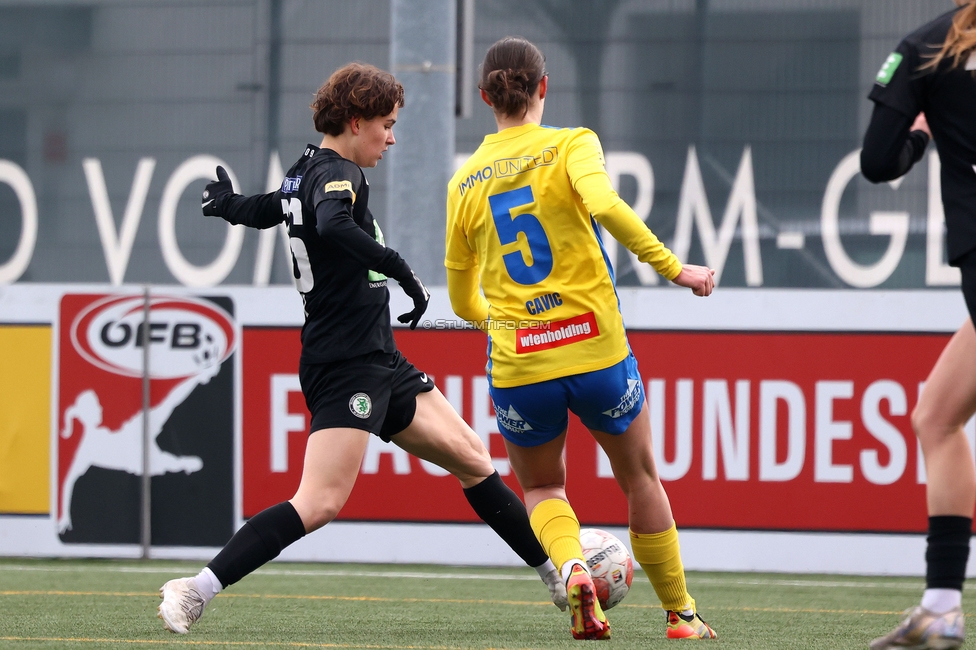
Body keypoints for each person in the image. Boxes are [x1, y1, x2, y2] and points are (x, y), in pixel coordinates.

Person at [157, 61, 568, 635]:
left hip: (379, 359)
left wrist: (227, 204)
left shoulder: (307, 171)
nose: (392, 138)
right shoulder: (340, 175)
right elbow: (331, 225)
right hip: (345, 367)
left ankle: (558, 577)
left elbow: (269, 208)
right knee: (320, 502)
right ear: (355, 122)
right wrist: (402, 271)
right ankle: (193, 590)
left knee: (474, 459)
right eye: (386, 124)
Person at [445, 36, 718, 641]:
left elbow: (465, 302)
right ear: (544, 88)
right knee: (640, 479)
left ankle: (572, 568)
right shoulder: (572, 144)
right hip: (597, 351)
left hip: (520, 365)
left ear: (485, 96)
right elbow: (606, 205)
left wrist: (499, 321)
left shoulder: (464, 183)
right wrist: (676, 268)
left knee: (543, 486)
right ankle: (680, 616)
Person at [861, 2, 976, 649]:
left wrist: (925, 136)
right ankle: (939, 608)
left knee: (937, 418)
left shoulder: (929, 46)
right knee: (937, 414)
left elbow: (877, 161)